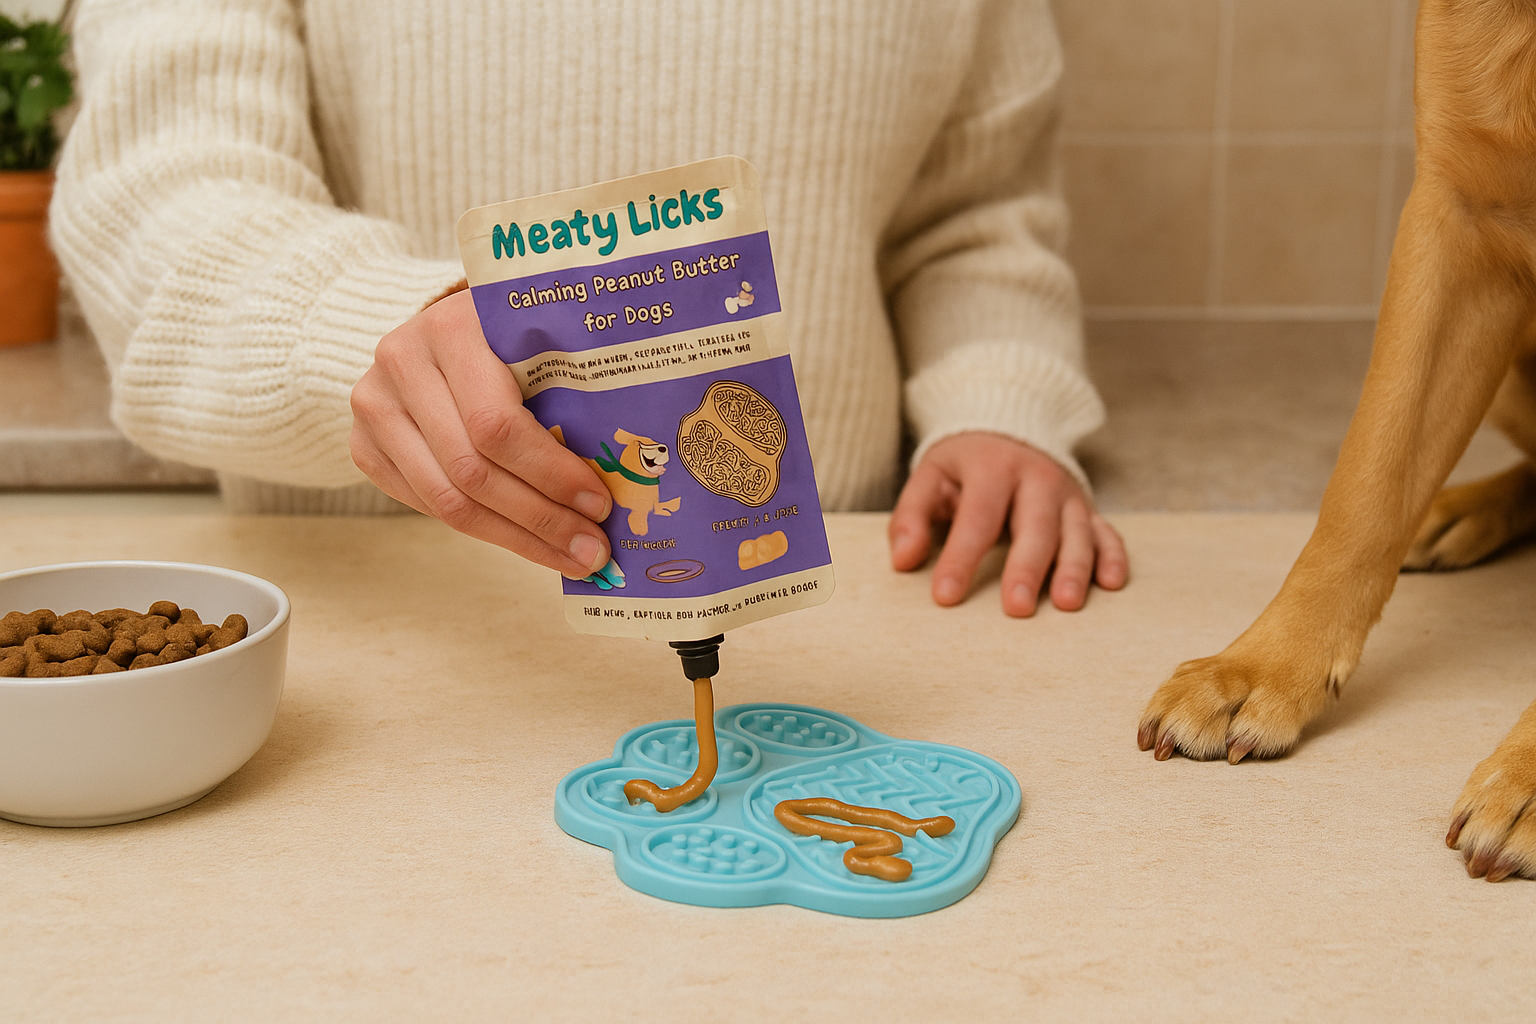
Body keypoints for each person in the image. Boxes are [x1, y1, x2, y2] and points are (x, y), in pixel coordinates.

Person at [53, 0, 1127, 616]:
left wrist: (996, 396)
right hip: (383, 637)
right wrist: (359, 321)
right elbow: (159, 193)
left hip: (845, 613)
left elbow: (973, 214)